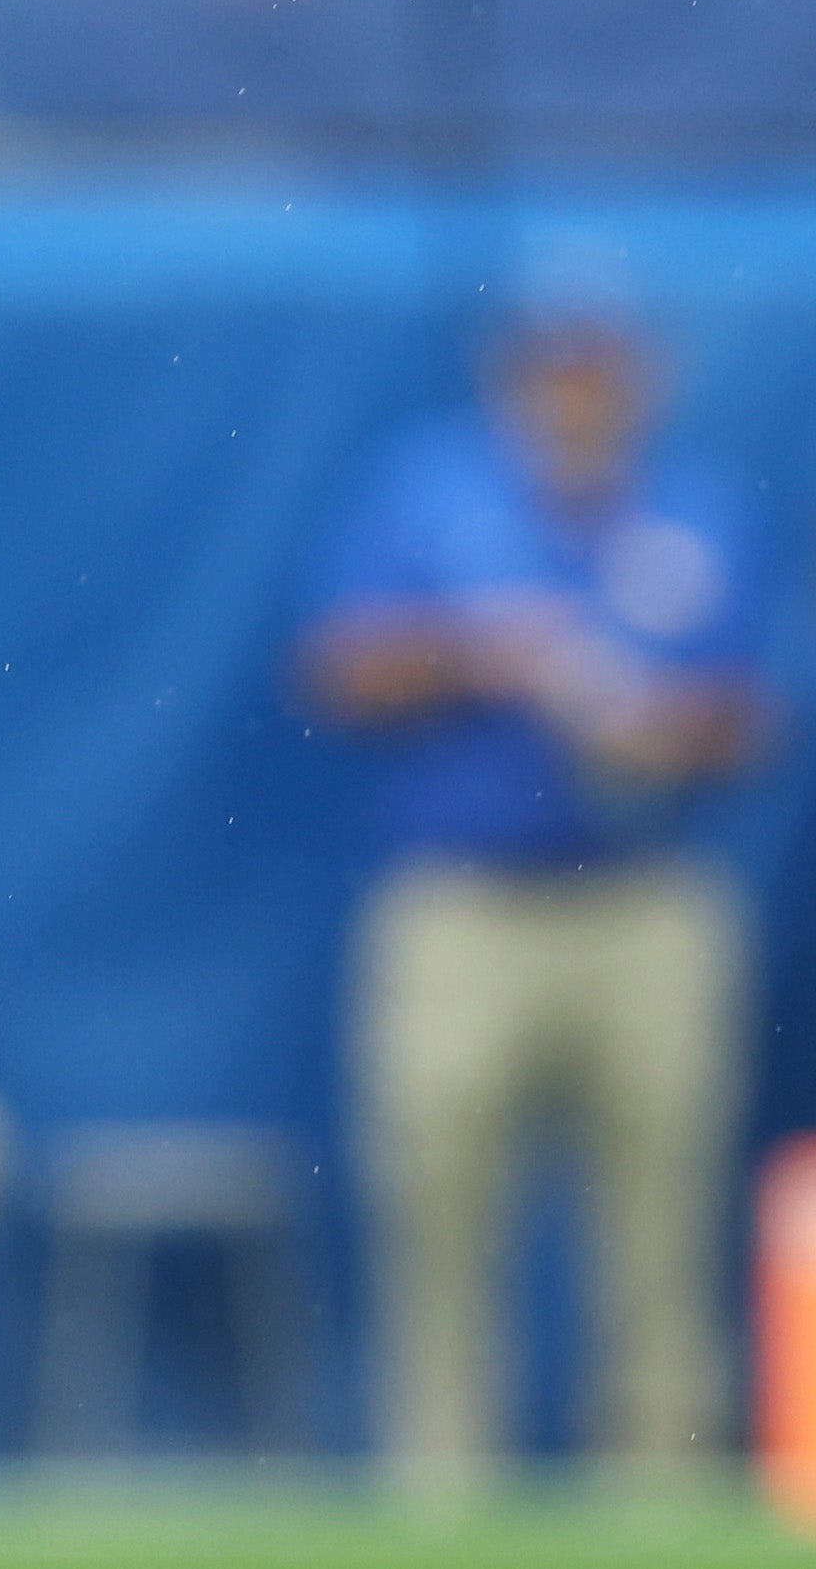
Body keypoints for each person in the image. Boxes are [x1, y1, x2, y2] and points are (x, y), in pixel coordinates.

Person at [300, 284, 768, 1496]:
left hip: (642, 893)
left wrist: (657, 727)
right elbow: (336, 670)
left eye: (596, 365)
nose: (575, 391)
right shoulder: (430, 490)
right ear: (512, 375)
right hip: (466, 900)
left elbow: (757, 714)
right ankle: (441, 1484)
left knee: (659, 1214)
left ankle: (655, 1486)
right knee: (441, 1204)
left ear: (640, 375)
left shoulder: (696, 508)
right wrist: (476, 649)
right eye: (553, 367)